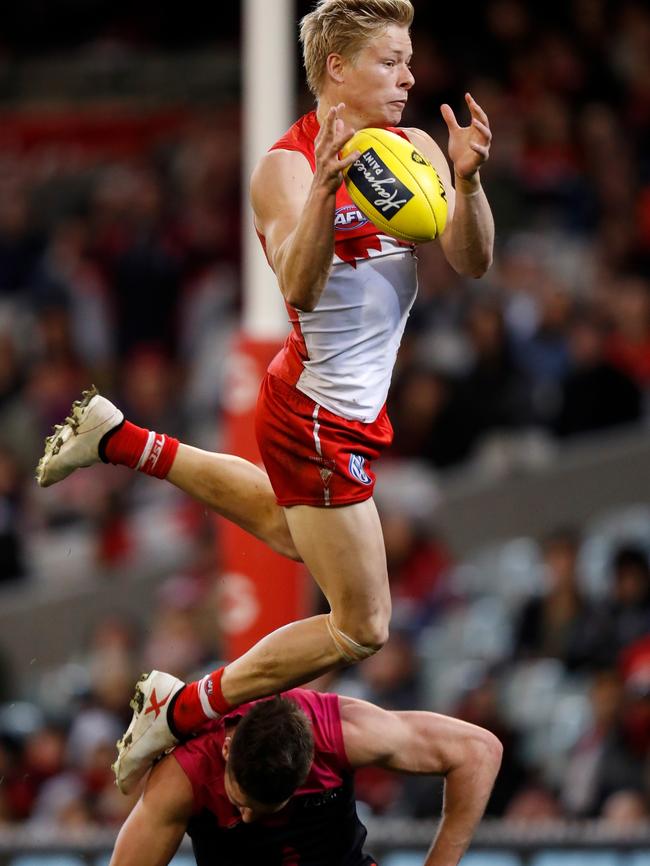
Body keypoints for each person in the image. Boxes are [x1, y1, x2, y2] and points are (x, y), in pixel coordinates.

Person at [36, 0, 494, 794]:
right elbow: (296, 279)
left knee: (293, 536)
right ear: (338, 71)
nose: (410, 76)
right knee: (364, 625)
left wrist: (470, 181)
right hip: (318, 414)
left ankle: (123, 439)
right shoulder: (285, 169)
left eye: (409, 59)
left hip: (334, 405)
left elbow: (471, 258)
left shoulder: (416, 146)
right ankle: (180, 710)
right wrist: (322, 196)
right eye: (391, 61)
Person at [108, 688, 502, 866]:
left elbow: (478, 752)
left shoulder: (341, 734)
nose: (245, 818)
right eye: (239, 802)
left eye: (261, 809)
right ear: (227, 750)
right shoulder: (183, 777)